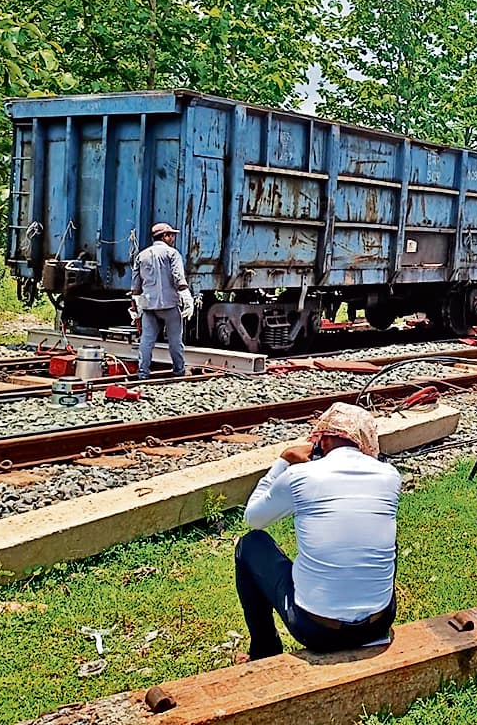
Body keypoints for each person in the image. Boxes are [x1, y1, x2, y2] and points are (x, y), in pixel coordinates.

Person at [234, 404, 399, 661]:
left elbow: (253, 518)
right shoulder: (390, 475)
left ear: (321, 440)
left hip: (317, 631)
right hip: (378, 624)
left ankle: (264, 650)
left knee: (251, 544)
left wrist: (284, 460)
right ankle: (368, 614)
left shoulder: (301, 474)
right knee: (378, 534)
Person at [131, 222, 194, 379]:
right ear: (164, 236)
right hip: (169, 304)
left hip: (148, 305)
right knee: (175, 340)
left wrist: (136, 306)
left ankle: (143, 373)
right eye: (171, 235)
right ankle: (179, 370)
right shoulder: (172, 254)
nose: (173, 238)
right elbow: (178, 277)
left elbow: (135, 285)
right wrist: (187, 297)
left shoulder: (141, 256)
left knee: (146, 340)